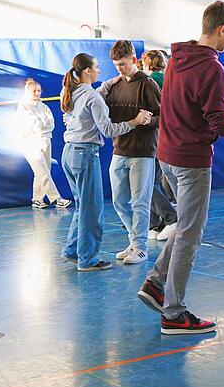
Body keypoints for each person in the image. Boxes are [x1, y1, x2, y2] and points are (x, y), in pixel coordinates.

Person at [136, 0, 224, 335]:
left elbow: (190, 100)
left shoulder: (179, 58)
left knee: (184, 227)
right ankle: (174, 313)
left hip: (167, 156)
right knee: (190, 234)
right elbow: (221, 127)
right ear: (221, 29)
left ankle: (156, 284)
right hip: (191, 161)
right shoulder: (213, 67)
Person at [59, 52, 152, 271]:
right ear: (88, 71)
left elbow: (95, 94)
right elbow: (109, 130)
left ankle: (73, 250)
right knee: (92, 210)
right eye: (97, 67)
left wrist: (111, 82)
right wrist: (134, 121)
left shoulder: (71, 92)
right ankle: (88, 259)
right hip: (85, 154)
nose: (101, 71)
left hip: (69, 153)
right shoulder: (92, 97)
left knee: (82, 205)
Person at [99, 40, 162, 264]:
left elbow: (164, 118)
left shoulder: (148, 84)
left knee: (140, 202)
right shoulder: (114, 86)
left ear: (134, 60)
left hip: (143, 152)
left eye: (123, 64)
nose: (120, 68)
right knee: (119, 202)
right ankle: (133, 240)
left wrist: (148, 120)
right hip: (119, 150)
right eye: (116, 65)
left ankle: (140, 247)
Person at [15, 78, 70, 209]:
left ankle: (37, 199)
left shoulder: (44, 107)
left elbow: (50, 124)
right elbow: (30, 125)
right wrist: (40, 124)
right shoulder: (23, 106)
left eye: (39, 91)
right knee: (43, 172)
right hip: (30, 142)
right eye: (34, 91)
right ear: (28, 91)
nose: (37, 93)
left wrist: (40, 125)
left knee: (43, 172)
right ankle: (56, 199)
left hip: (46, 140)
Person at [141, 49, 178, 241]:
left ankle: (171, 218)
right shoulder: (169, 80)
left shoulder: (149, 81)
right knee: (153, 181)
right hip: (167, 135)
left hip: (155, 136)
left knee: (148, 183)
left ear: (146, 65)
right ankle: (155, 224)